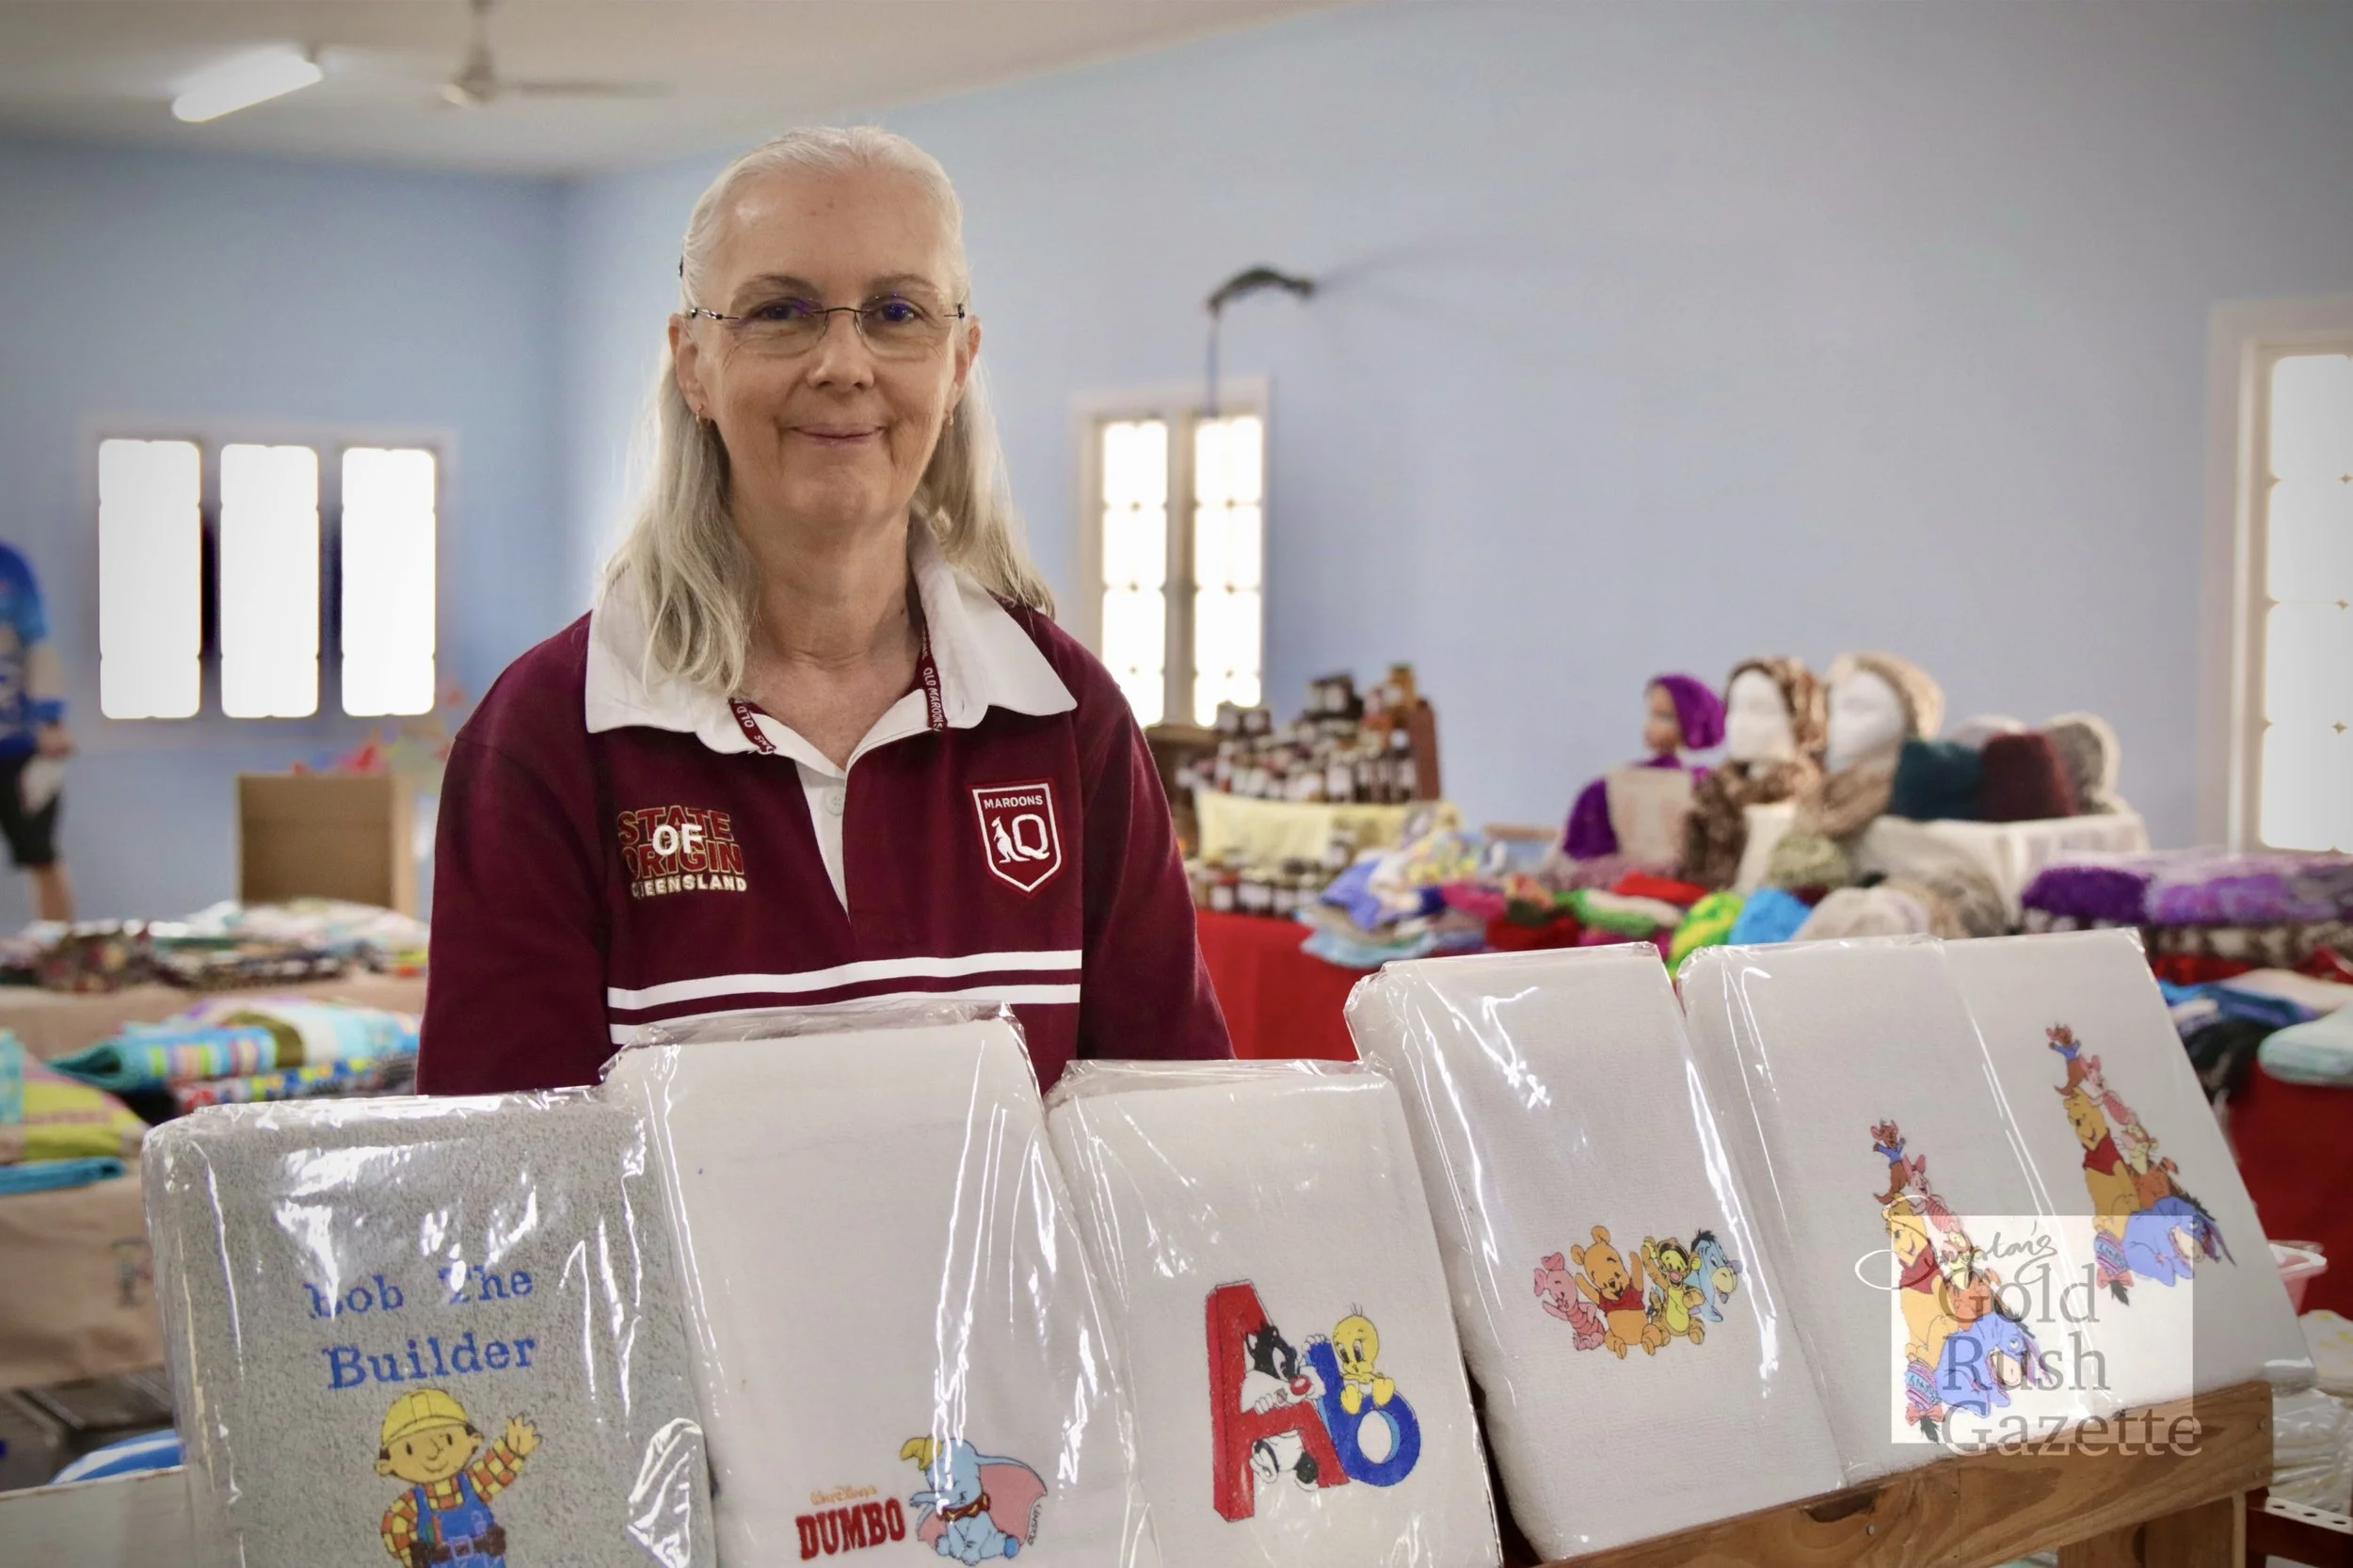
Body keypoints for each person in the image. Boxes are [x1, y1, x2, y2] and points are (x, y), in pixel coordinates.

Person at [418, 127, 1230, 1094]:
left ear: (958, 359)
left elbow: (1180, 1126)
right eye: (780, 312)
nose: (844, 363)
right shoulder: (553, 733)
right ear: (694, 364)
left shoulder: (1066, 718)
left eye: (896, 311)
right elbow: (503, 1186)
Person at [0, 543, 72, 921]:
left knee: (41, 854)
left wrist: (52, 720)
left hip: (20, 746)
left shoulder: (11, 568)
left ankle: (60, 955)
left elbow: (39, 642)